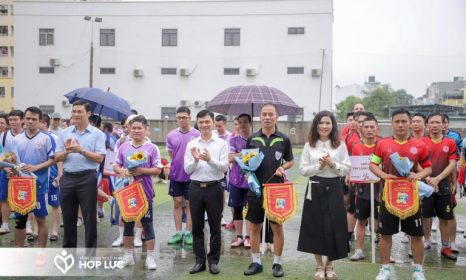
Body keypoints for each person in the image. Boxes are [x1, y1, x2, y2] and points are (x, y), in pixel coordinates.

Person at [370, 109, 432, 280]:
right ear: (392, 123)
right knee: (385, 234)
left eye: (404, 121)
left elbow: (428, 168)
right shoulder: (382, 144)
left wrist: (418, 176)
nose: (400, 125)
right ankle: (385, 269)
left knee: (417, 235)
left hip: (412, 198)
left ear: (410, 123)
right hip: (388, 195)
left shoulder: (420, 145)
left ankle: (418, 270)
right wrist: (384, 175)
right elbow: (373, 165)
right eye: (397, 121)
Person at [298, 110, 351, 280]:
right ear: (316, 125)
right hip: (315, 187)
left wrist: (332, 164)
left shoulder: (340, 144)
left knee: (334, 226)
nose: (324, 126)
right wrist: (319, 167)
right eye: (321, 123)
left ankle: (330, 265)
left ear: (333, 125)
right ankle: (319, 265)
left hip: (334, 187)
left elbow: (347, 168)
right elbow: (303, 170)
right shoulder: (309, 145)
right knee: (315, 227)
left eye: (328, 123)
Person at [244, 104, 294, 278]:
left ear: (276, 117)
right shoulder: (252, 138)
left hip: (277, 191)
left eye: (270, 114)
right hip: (255, 189)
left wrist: (283, 168)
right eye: (264, 114)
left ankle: (277, 263)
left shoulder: (283, 139)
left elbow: (290, 161)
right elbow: (247, 164)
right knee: (254, 227)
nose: (267, 117)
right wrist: (246, 172)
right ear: (260, 116)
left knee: (277, 227)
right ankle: (256, 261)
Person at [55, 100, 106, 251]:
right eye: (74, 111)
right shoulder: (64, 133)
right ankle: (69, 254)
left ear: (88, 114)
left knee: (90, 218)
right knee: (68, 218)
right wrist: (67, 151)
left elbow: (100, 158)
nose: (76, 114)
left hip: (88, 177)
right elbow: (57, 157)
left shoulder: (97, 134)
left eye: (80, 111)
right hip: (67, 177)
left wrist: (81, 150)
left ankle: (90, 255)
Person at [114, 115, 162, 270]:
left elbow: (158, 170)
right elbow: (115, 165)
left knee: (147, 226)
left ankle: (150, 258)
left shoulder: (152, 148)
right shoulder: (123, 147)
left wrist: (141, 170)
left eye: (139, 128)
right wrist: (121, 171)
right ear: (129, 129)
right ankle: (128, 256)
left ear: (146, 130)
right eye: (133, 128)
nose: (136, 131)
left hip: (145, 193)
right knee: (127, 226)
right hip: (127, 194)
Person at [184, 109, 228, 275]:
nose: (204, 125)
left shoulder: (221, 144)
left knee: (215, 226)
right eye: (201, 122)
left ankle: (214, 261)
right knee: (197, 226)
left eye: (207, 121)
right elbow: (187, 169)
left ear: (212, 122)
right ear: (198, 123)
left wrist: (210, 160)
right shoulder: (191, 144)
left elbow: (224, 167)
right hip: (195, 187)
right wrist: (195, 160)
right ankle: (199, 261)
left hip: (214, 187)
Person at [9, 107, 55, 265]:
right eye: (27, 118)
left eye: (33, 119)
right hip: (20, 186)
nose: (30, 121)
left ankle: (41, 253)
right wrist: (10, 169)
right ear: (23, 119)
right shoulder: (16, 139)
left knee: (41, 219)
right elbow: (11, 161)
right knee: (19, 220)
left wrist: (35, 167)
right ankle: (19, 253)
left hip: (39, 186)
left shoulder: (46, 138)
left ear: (40, 121)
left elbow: (53, 159)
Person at [420, 113, 457, 260]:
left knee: (445, 217)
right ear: (427, 125)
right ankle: (426, 241)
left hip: (444, 186)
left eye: (437, 122)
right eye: (431, 123)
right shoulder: (421, 142)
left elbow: (453, 163)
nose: (434, 125)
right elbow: (417, 164)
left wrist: (438, 179)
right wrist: (428, 178)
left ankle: (445, 247)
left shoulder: (450, 142)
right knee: (425, 215)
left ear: (443, 125)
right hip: (425, 184)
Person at [166, 107, 200, 245]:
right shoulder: (171, 135)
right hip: (176, 176)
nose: (182, 120)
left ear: (189, 118)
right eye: (179, 117)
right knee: (177, 203)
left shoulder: (197, 134)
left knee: (190, 205)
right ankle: (178, 232)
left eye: (184, 117)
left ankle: (188, 232)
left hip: (192, 176)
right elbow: (172, 155)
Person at [349, 116, 381, 261]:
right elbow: (352, 166)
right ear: (361, 129)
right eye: (366, 127)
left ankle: (385, 250)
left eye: (372, 127)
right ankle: (359, 250)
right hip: (362, 189)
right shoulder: (356, 146)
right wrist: (350, 175)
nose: (369, 130)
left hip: (380, 190)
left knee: (381, 221)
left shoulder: (383, 145)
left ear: (377, 129)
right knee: (361, 221)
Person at [228, 113, 252, 249]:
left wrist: (238, 155)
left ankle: (248, 237)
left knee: (249, 209)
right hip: (236, 179)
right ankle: (239, 237)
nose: (242, 125)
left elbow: (258, 158)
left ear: (250, 123)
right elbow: (230, 158)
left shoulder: (256, 139)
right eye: (240, 122)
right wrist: (247, 154)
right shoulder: (233, 140)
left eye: (245, 122)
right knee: (237, 208)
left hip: (251, 180)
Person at [0, 110, 24, 235]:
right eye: (11, 120)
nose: (13, 122)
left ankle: (28, 225)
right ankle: (4, 225)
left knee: (24, 199)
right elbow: (1, 155)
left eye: (15, 119)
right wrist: (5, 168)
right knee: (4, 199)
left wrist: (19, 168)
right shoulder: (4, 136)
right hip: (6, 172)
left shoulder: (26, 135)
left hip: (23, 174)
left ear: (22, 120)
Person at [40, 114, 63, 242]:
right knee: (36, 204)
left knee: (55, 203)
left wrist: (60, 173)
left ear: (46, 124)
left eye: (42, 122)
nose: (40, 125)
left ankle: (54, 231)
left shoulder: (54, 138)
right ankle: (35, 230)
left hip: (52, 176)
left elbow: (58, 158)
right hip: (37, 177)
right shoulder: (29, 138)